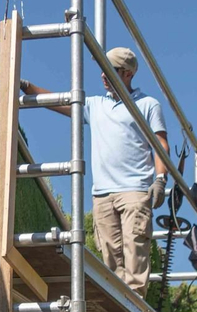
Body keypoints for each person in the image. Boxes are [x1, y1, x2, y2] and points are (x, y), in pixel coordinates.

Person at [21, 48, 169, 295]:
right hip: (102, 193)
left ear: (128, 74)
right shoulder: (96, 105)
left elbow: (160, 143)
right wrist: (27, 86)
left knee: (134, 251)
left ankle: (134, 303)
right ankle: (121, 302)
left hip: (134, 189)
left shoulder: (146, 105)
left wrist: (161, 180)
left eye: (110, 70)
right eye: (102, 68)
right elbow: (61, 101)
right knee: (111, 256)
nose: (103, 75)